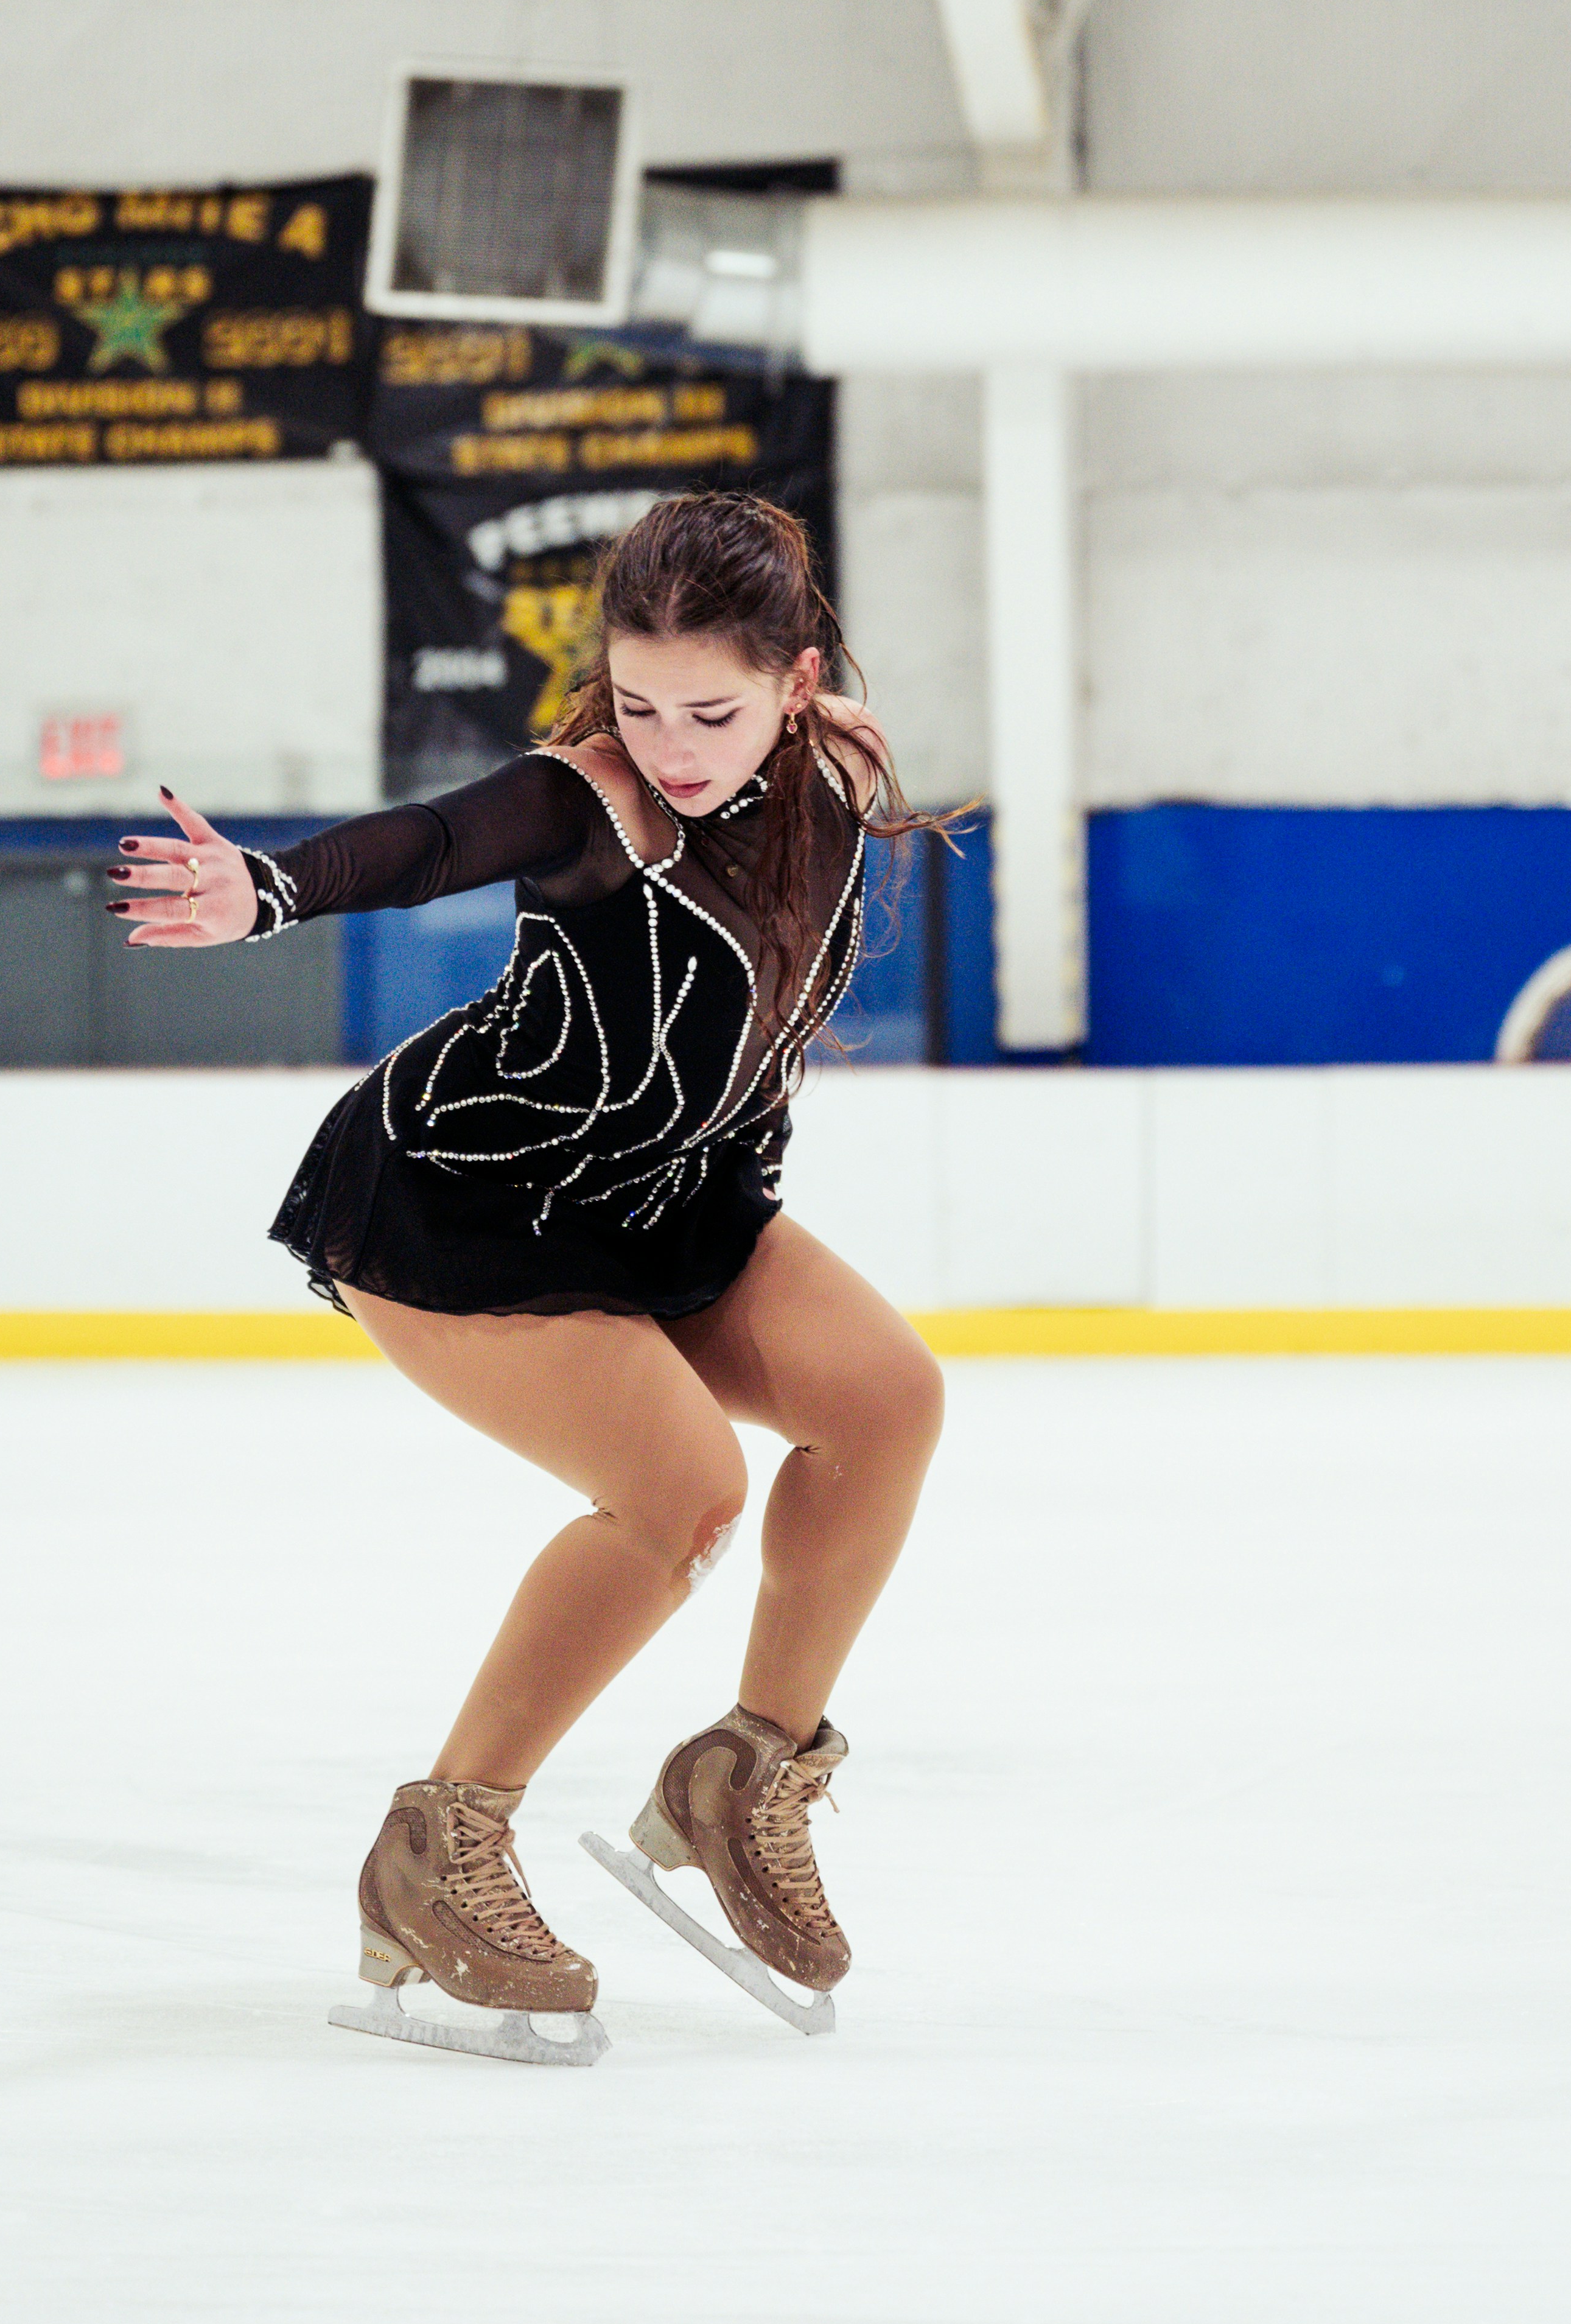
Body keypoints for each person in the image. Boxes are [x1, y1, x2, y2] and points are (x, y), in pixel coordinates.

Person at [106, 490, 948, 2064]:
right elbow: (434, 840)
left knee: (890, 1399)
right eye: (639, 702)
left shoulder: (843, 763)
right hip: (467, 1205)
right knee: (681, 1491)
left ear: (801, 679)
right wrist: (272, 890)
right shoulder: (591, 802)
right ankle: (442, 1842)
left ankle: (743, 1775)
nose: (674, 743)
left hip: (670, 1196)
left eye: (714, 707)